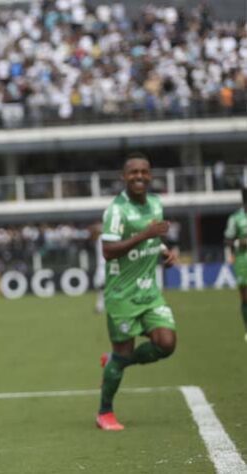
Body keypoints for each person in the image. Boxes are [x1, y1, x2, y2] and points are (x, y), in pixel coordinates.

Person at [96, 152, 179, 431]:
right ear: (124, 177)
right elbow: (107, 251)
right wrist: (146, 234)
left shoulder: (156, 203)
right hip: (122, 295)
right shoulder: (116, 210)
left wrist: (164, 250)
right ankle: (105, 412)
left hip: (149, 293)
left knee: (166, 343)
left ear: (150, 175)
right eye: (133, 173)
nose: (139, 177)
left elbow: (153, 240)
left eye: (144, 172)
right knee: (123, 351)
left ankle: (115, 363)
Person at [224, 188, 247, 342]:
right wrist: (241, 242)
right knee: (245, 298)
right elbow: (228, 240)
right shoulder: (235, 218)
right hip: (243, 260)